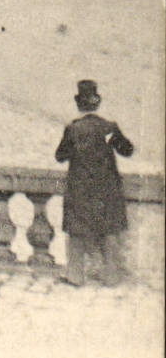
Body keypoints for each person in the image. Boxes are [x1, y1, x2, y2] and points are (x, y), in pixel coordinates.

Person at [55, 79, 135, 286]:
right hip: (107, 189)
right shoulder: (109, 127)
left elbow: (60, 156)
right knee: (109, 231)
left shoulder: (73, 129)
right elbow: (128, 150)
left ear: (78, 103)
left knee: (76, 232)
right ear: (97, 102)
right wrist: (111, 139)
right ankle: (111, 277)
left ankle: (75, 276)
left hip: (80, 189)